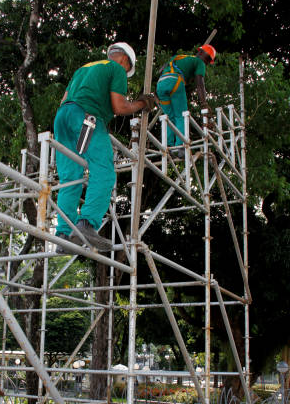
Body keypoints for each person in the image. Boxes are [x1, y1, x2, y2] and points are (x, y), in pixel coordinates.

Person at [54, 42, 156, 253]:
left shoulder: (84, 68)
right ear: (125, 60)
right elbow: (119, 107)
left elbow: (64, 99)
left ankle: (64, 235)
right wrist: (141, 104)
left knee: (70, 177)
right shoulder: (116, 68)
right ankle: (87, 224)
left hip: (62, 118)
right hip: (87, 118)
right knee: (104, 171)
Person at [156, 44, 216, 155]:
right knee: (181, 115)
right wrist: (204, 103)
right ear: (201, 54)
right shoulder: (199, 62)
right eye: (208, 59)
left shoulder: (178, 58)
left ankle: (168, 146)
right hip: (175, 81)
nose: (207, 63)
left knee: (169, 118)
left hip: (161, 84)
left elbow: (160, 70)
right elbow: (200, 84)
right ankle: (180, 147)